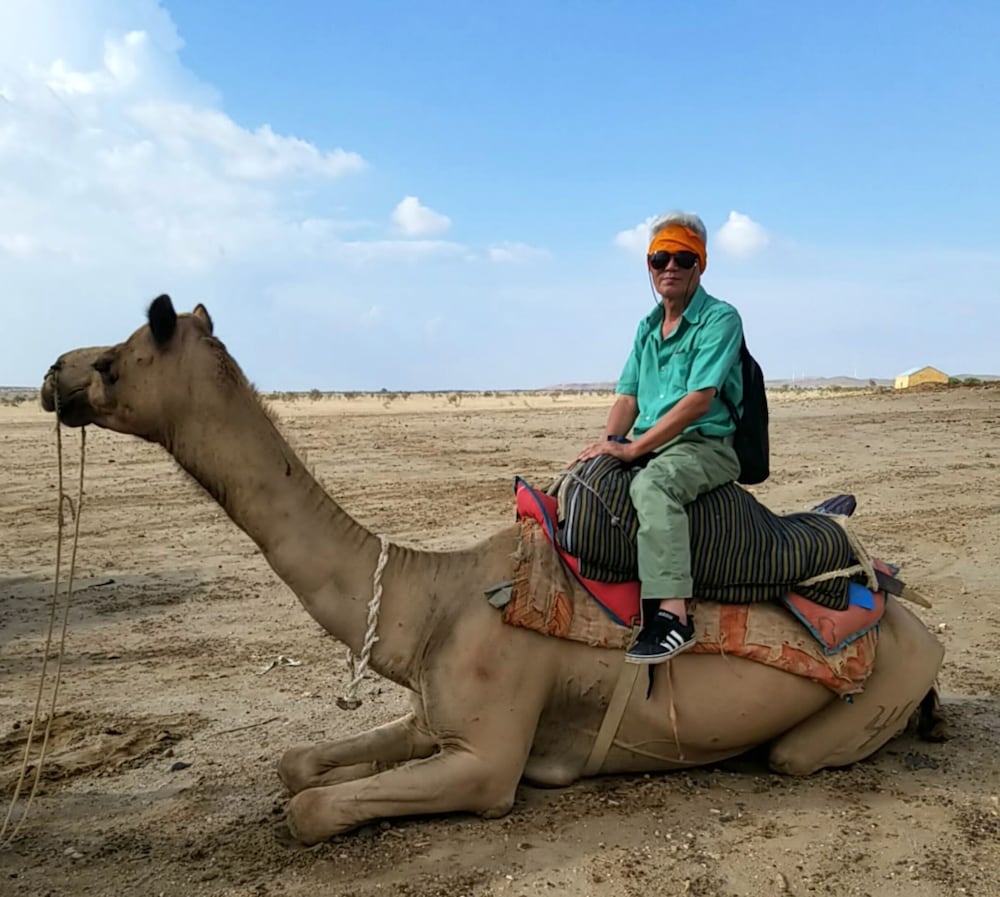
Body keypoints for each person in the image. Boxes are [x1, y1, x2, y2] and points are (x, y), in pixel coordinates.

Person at [576, 211, 744, 664]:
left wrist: (634, 448)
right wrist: (609, 445)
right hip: (654, 444)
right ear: (649, 265)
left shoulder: (720, 319)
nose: (670, 266)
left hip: (703, 446)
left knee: (653, 486)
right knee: (583, 478)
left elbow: (699, 401)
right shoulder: (647, 329)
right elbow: (627, 397)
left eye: (683, 258)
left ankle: (673, 616)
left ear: (700, 265)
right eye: (660, 258)